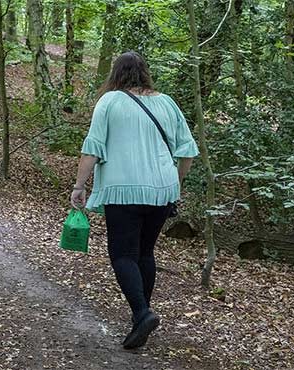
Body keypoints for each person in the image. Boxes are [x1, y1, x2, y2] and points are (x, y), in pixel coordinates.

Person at [69, 51, 198, 350]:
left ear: (116, 73)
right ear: (145, 73)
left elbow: (93, 148)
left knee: (122, 255)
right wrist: (174, 183)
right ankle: (141, 316)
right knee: (144, 254)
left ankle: (142, 313)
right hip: (161, 190)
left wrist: (79, 185)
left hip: (123, 189)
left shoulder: (110, 101)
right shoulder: (166, 103)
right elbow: (187, 151)